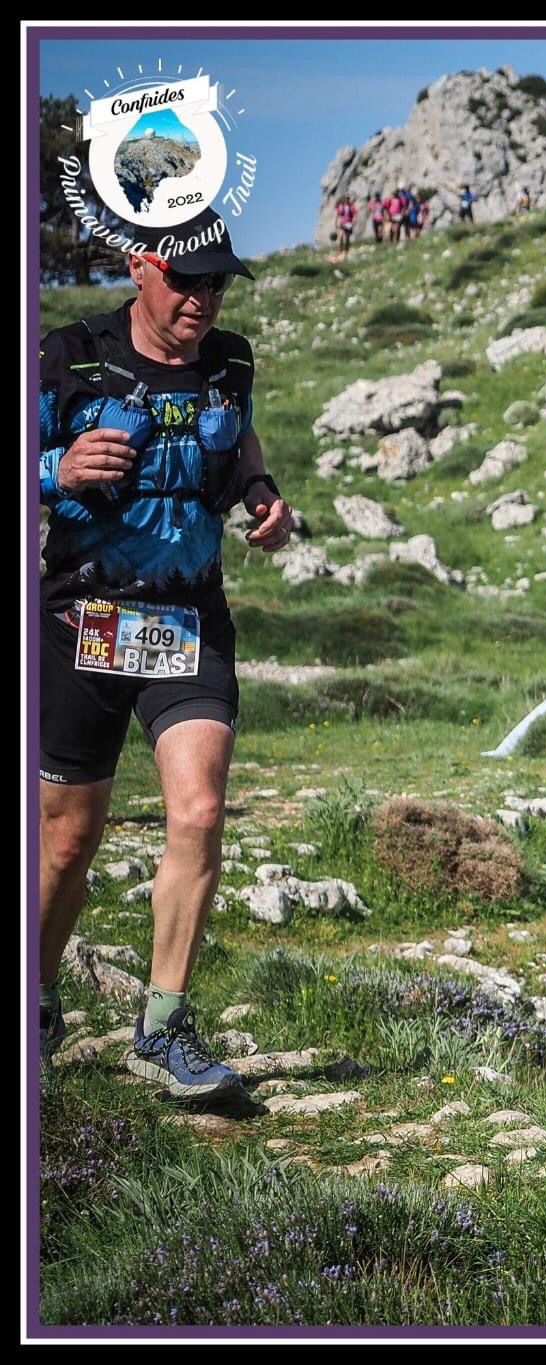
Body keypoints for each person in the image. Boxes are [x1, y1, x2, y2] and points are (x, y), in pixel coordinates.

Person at [37, 209, 296, 1097]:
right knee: (66, 840)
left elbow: (241, 437)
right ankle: (37, 999)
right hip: (83, 617)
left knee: (199, 809)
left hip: (189, 618)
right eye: (188, 280)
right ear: (141, 268)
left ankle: (163, 1027)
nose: (204, 298)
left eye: (218, 282)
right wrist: (57, 471)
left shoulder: (231, 361)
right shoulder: (70, 356)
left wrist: (262, 494)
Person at [334, 194, 357, 258]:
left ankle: (346, 250)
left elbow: (355, 214)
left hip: (349, 223)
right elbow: (338, 214)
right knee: (341, 236)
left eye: (348, 198)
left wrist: (354, 222)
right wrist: (335, 222)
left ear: (349, 199)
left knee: (347, 238)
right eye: (346, 198)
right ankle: (340, 250)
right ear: (344, 199)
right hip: (342, 223)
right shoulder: (341, 206)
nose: (347, 200)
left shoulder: (352, 207)